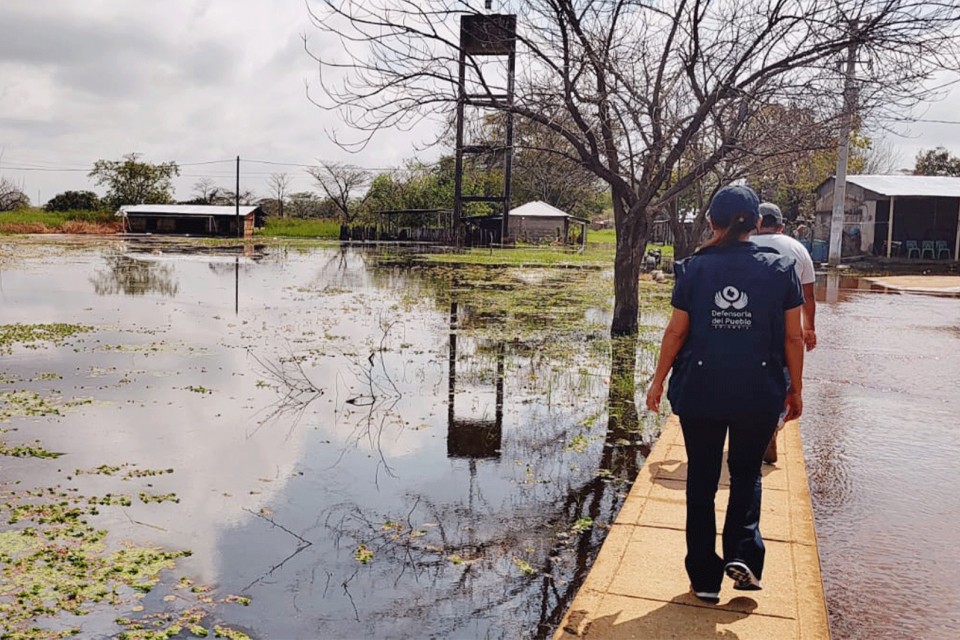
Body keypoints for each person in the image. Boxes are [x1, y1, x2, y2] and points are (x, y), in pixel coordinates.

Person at [645, 185, 805, 603]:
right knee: (747, 473)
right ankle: (744, 556)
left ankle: (704, 577)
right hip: (759, 388)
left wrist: (658, 379)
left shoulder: (693, 269)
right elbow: (792, 338)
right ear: (756, 224)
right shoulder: (781, 268)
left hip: (700, 389)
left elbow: (677, 331)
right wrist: (796, 390)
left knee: (701, 480)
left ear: (711, 222)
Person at [751, 203, 816, 464]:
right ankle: (773, 428)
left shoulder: (745, 246)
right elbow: (808, 297)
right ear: (781, 226)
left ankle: (750, 429)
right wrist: (809, 328)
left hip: (749, 327)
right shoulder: (797, 249)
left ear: (756, 223)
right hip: (786, 329)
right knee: (783, 380)